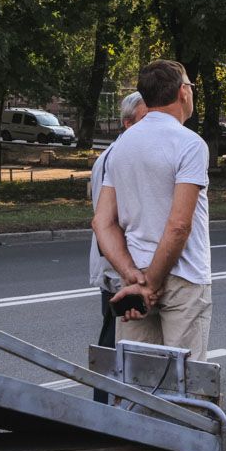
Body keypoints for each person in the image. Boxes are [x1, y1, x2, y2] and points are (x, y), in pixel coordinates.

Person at [90, 59, 226, 451]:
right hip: (183, 279)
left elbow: (102, 222)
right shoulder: (189, 144)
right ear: (182, 92)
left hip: (134, 284)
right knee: (185, 388)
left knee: (132, 383)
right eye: (192, 86)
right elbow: (179, 224)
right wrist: (153, 279)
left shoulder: (121, 147)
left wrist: (134, 277)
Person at [89, 92, 147, 404]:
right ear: (127, 123)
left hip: (121, 269)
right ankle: (103, 413)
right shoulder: (116, 157)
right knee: (115, 348)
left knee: (120, 347)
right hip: (118, 271)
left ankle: (109, 409)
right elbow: (107, 221)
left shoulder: (125, 154)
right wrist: (122, 272)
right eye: (144, 119)